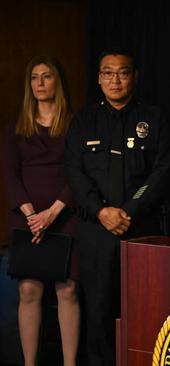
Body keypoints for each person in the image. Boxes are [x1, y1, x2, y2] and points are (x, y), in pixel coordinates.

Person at [65, 48, 170, 365]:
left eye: (123, 72)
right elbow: (74, 172)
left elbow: (162, 171)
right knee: (98, 311)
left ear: (134, 76)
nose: (116, 79)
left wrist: (128, 211)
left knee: (144, 309)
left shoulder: (154, 118)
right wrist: (102, 211)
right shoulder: (84, 120)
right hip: (96, 232)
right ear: (99, 78)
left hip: (141, 229)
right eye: (108, 72)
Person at [3, 55, 79, 366]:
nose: (40, 83)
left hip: (66, 216)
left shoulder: (75, 124)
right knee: (29, 292)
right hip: (27, 219)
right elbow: (9, 173)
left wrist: (53, 213)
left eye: (46, 77)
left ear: (57, 82)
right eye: (34, 78)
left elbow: (80, 173)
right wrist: (33, 215)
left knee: (68, 291)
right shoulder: (16, 126)